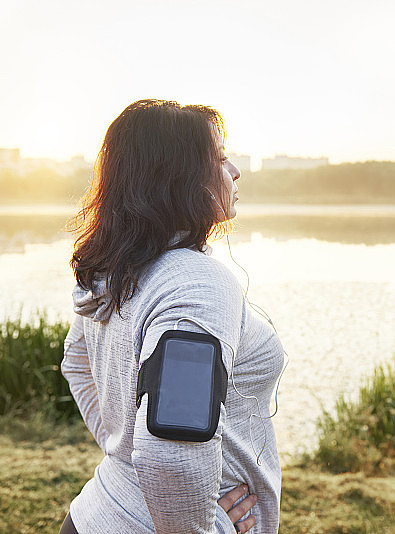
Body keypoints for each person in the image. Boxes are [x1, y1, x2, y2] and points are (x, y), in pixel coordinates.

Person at [60, 99, 284, 533]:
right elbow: (171, 452)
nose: (235, 170)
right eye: (219, 159)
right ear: (180, 178)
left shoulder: (121, 266)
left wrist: (122, 453)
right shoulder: (196, 285)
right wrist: (203, 527)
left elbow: (76, 362)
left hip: (95, 516)